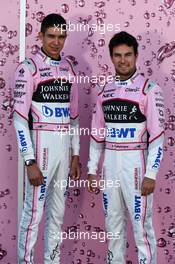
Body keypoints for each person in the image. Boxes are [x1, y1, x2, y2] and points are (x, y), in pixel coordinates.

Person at [87, 31, 165, 264]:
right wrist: (92, 170)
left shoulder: (149, 89)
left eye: (128, 55)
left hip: (136, 167)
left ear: (136, 55)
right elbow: (96, 135)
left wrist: (151, 174)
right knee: (113, 228)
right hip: (110, 166)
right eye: (118, 55)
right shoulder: (105, 91)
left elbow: (158, 137)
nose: (123, 60)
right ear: (111, 57)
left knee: (141, 229)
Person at [13, 13, 80, 263]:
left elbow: (74, 117)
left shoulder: (69, 69)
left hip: (63, 153)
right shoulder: (28, 68)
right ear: (40, 36)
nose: (56, 41)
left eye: (61, 36)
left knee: (57, 215)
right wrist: (29, 161)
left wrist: (75, 155)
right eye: (51, 36)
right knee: (33, 215)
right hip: (39, 152)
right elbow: (19, 118)